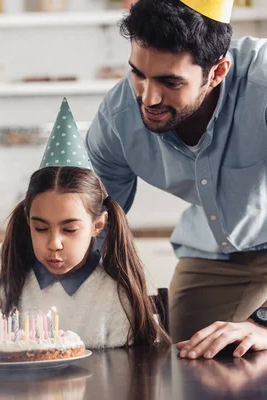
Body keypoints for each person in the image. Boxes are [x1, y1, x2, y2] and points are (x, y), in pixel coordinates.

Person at [83, 0, 267, 358]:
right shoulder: (118, 119)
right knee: (187, 362)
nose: (148, 98)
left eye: (170, 82)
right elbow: (90, 223)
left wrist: (262, 321)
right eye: (138, 73)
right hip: (214, 254)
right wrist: (31, 281)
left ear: (217, 72)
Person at [0, 99, 169, 348]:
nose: (54, 243)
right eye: (40, 228)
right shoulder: (13, 289)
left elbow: (131, 374)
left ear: (98, 224)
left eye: (70, 229)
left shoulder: (115, 298)